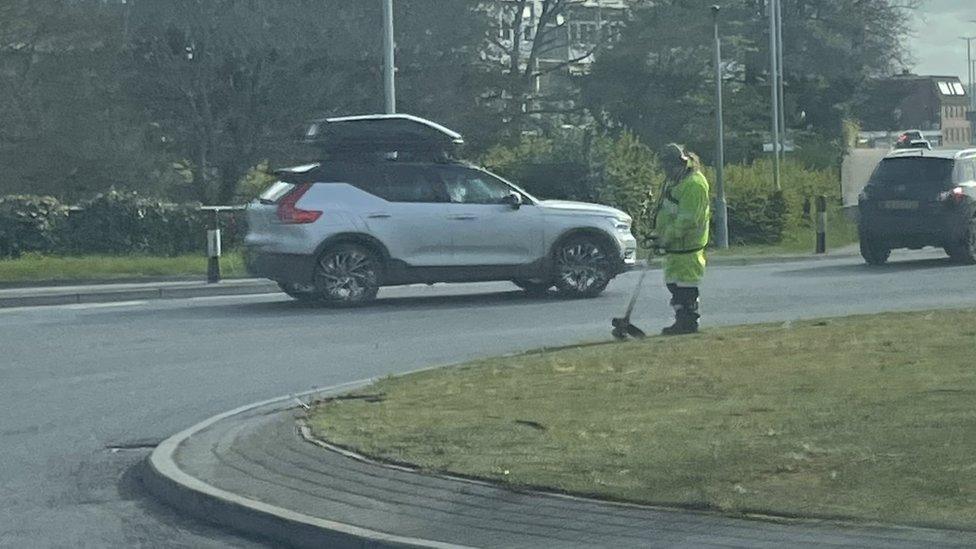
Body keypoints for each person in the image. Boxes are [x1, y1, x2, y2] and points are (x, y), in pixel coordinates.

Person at [651, 144, 711, 335]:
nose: (667, 172)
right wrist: (657, 235)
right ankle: (682, 320)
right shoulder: (676, 182)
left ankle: (688, 322)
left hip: (687, 247)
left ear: (682, 164)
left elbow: (687, 220)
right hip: (675, 247)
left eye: (669, 167)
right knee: (674, 285)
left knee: (686, 288)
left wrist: (665, 238)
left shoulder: (694, 185)